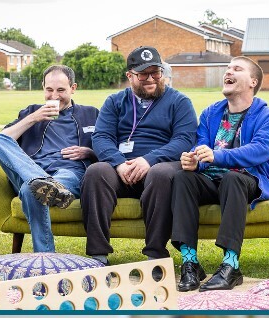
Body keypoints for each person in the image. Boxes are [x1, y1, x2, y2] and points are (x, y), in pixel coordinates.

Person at [171, 57, 269, 291]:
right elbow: (201, 146)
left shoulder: (267, 116)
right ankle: (190, 263)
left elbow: (261, 150)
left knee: (232, 178)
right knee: (182, 177)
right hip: (213, 180)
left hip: (249, 180)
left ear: (253, 81)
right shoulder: (211, 113)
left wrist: (217, 156)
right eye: (227, 68)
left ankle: (231, 266)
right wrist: (194, 160)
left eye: (236, 69)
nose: (228, 72)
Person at [83, 46, 197, 265]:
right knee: (96, 171)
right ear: (130, 75)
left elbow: (184, 139)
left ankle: (155, 256)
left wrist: (149, 160)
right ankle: (98, 255)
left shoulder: (179, 102)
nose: (151, 78)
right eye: (143, 74)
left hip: (159, 166)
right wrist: (118, 163)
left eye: (156, 72)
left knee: (161, 174)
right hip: (122, 168)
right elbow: (101, 137)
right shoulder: (115, 101)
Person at [0, 64, 99, 253]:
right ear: (43, 88)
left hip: (68, 173)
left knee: (31, 190)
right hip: (30, 169)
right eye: (49, 90)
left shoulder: (90, 114)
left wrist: (89, 152)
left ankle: (45, 257)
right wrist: (33, 118)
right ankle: (39, 179)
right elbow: (3, 140)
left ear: (73, 88)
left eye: (61, 90)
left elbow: (110, 146)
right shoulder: (31, 112)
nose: (54, 96)